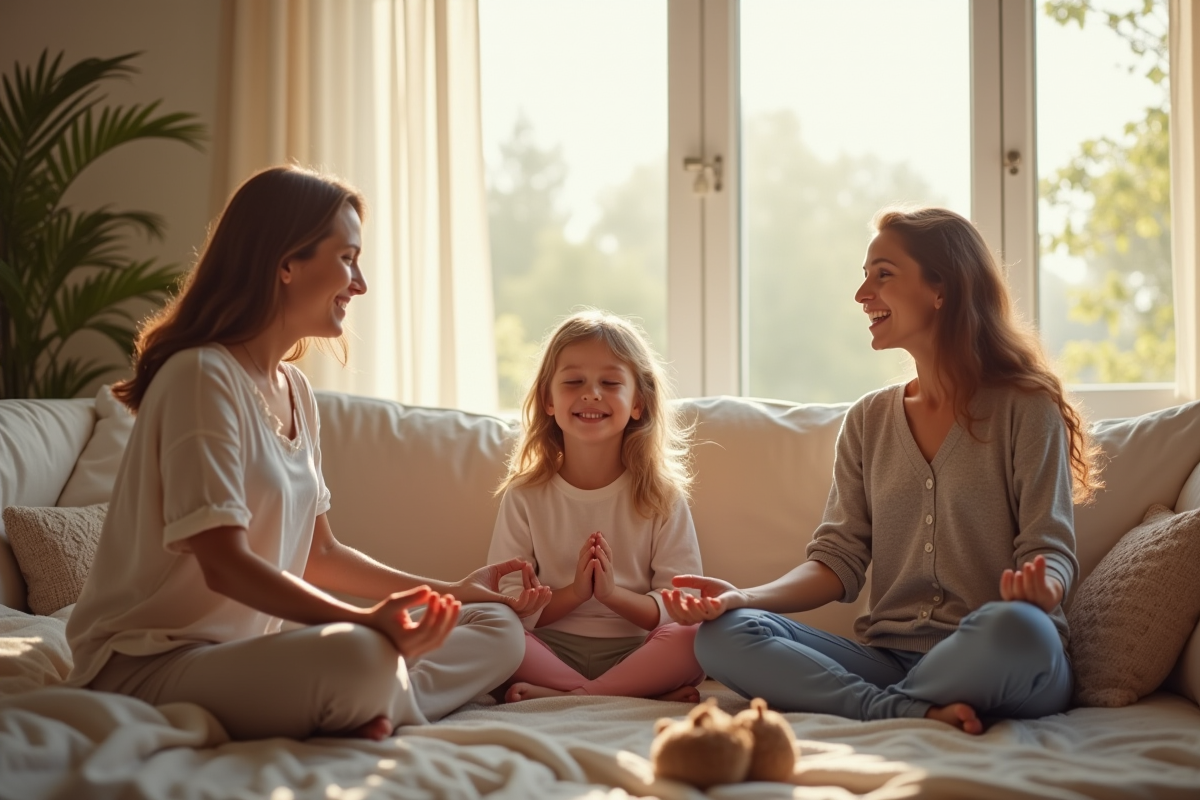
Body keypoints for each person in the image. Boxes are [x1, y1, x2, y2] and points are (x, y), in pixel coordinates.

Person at [64, 165, 551, 741]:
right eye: (347, 258)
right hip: (145, 666)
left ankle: (374, 701)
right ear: (287, 262)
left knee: (497, 626)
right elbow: (224, 563)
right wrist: (364, 623)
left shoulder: (294, 390)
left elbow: (320, 552)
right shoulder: (200, 376)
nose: (360, 283)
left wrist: (451, 590)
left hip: (246, 659)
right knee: (358, 654)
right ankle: (373, 695)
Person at [662, 207, 1103, 734]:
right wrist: (741, 597)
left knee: (1017, 629)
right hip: (890, 658)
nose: (861, 294)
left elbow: (1049, 547)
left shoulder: (1027, 408)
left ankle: (872, 705)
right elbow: (836, 563)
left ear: (943, 288)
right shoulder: (869, 420)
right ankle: (902, 709)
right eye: (865, 275)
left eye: (883, 275)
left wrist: (1044, 589)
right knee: (722, 636)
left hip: (1002, 651)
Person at [487, 309, 706, 703]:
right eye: (573, 381)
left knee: (696, 637)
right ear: (547, 401)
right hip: (549, 649)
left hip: (639, 651)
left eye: (609, 382)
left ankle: (572, 695)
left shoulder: (662, 497)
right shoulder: (524, 495)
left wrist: (611, 595)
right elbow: (508, 601)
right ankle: (625, 695)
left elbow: (681, 602)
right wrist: (574, 592)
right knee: (489, 626)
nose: (591, 394)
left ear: (638, 402)